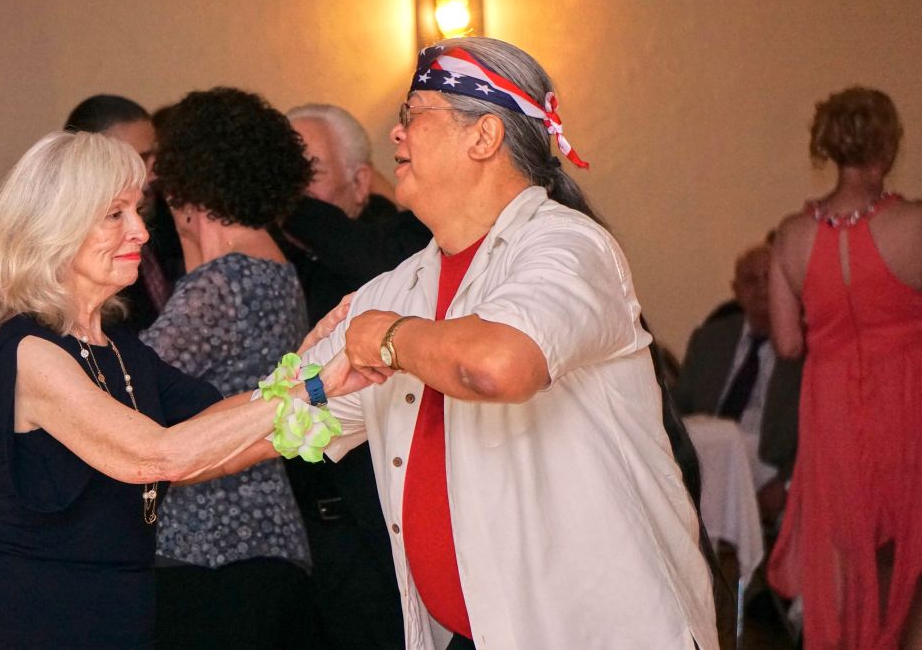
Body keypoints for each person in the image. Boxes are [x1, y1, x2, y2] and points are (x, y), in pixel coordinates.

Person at [297, 38, 718, 648]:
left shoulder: (568, 247)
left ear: (484, 136)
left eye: (413, 113)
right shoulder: (401, 286)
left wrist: (384, 337)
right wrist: (163, 451)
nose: (396, 133)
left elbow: (499, 363)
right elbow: (288, 410)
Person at [0, 130, 364, 649]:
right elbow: (159, 456)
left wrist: (316, 367)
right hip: (29, 631)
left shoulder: (121, 348)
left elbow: (219, 437)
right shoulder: (29, 350)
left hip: (116, 628)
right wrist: (311, 388)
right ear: (56, 227)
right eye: (115, 214)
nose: (141, 232)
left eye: (137, 210)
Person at [140, 87, 316, 649]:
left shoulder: (222, 284)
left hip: (207, 547)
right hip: (270, 537)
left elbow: (132, 387)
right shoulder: (277, 271)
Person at [766, 87, 922, 649]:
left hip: (832, 407)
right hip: (907, 400)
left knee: (841, 546)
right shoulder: (915, 225)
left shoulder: (791, 236)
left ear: (827, 148)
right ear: (888, 146)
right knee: (907, 541)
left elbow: (787, 344)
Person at [281, 103, 415, 647]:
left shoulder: (400, 242)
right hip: (299, 537)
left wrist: (277, 194)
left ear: (361, 182)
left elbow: (372, 260)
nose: (291, 190)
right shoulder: (272, 255)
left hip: (376, 532)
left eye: (305, 172)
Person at [674, 243, 803, 523]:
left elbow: (820, 429)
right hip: (711, 457)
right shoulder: (711, 338)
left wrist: (787, 483)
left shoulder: (805, 344)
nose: (761, 289)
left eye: (769, 278)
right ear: (736, 289)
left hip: (769, 465)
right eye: (751, 280)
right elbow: (678, 406)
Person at [281, 103, 432, 325]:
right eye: (285, 174)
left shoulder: (404, 241)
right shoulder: (268, 245)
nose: (297, 188)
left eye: (311, 173)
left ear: (359, 182)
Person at [65, 93, 182, 333]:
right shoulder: (76, 265)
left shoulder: (165, 214)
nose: (154, 173)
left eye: (155, 157)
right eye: (138, 160)